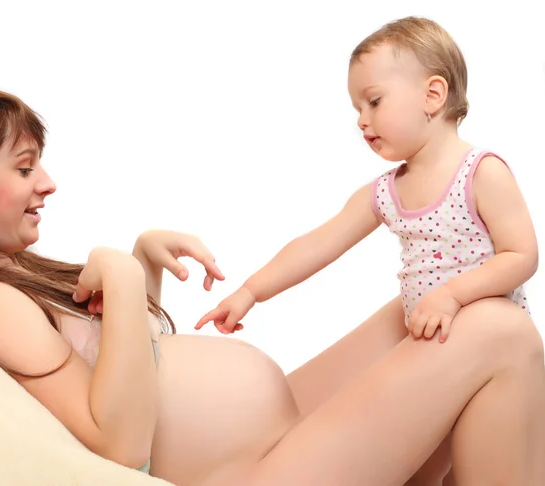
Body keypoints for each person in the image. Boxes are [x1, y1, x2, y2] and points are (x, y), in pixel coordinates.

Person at [0, 45, 543, 486]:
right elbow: (121, 445)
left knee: (420, 312)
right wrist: (124, 281)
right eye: (24, 168)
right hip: (257, 473)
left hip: (274, 435)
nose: (47, 183)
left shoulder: (15, 276)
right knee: (498, 330)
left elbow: (125, 369)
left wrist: (140, 268)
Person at [193, 16, 543, 485]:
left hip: (478, 346)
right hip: (429, 344)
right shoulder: (386, 191)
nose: (361, 119)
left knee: (477, 458)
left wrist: (454, 294)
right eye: (357, 107)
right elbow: (319, 242)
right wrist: (252, 291)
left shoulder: (480, 172)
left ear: (432, 96)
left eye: (374, 101)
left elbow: (521, 256)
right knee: (416, 463)